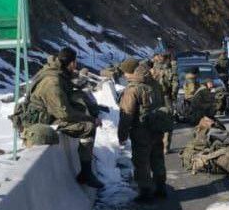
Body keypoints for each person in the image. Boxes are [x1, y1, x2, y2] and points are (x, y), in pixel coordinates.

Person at [26, 46, 102, 187]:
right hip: (41, 121)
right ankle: (86, 173)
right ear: (72, 63)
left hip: (48, 114)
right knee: (88, 127)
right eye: (75, 63)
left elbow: (67, 84)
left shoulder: (56, 71)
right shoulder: (53, 81)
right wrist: (91, 119)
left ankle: (86, 171)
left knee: (78, 98)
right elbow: (64, 113)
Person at [118, 60, 167, 201]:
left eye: (125, 72)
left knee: (141, 162)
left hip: (141, 132)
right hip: (157, 128)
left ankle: (145, 192)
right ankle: (160, 188)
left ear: (129, 72)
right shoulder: (154, 83)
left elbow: (127, 115)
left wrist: (122, 135)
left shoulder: (132, 89)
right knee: (157, 158)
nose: (124, 75)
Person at [152, 51, 179, 152]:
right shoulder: (170, 70)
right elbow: (175, 84)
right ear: (168, 59)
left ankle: (156, 145)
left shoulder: (153, 69)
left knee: (156, 119)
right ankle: (166, 147)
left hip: (155, 98)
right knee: (168, 120)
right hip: (166, 97)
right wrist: (174, 96)